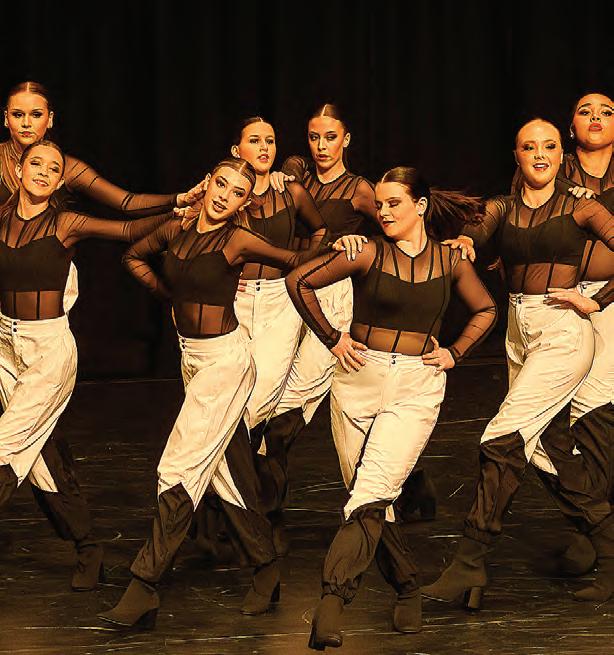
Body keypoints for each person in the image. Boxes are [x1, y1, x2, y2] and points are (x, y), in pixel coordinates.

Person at [98, 158, 354, 629]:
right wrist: (170, 296)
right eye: (221, 184)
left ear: (242, 203)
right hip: (192, 360)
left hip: (227, 364)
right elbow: (133, 255)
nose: (224, 196)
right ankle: (266, 567)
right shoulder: (177, 227)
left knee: (179, 467)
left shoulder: (238, 240)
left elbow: (295, 260)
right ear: (208, 184)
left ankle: (144, 585)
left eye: (237, 193)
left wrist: (340, 246)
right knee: (227, 473)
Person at [283, 165, 497, 649]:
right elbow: (298, 282)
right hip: (357, 380)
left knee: (373, 489)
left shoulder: (451, 259)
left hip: (416, 387)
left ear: (420, 206)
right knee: (368, 498)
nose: (382, 212)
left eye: (393, 203)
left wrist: (455, 352)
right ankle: (407, 586)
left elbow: (486, 310)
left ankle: (331, 604)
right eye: (378, 204)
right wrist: (332, 338)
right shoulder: (367, 251)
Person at [422, 118, 614, 610]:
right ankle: (609, 545)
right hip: (518, 330)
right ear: (517, 156)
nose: (540, 154)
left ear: (560, 154)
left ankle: (469, 560)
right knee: (540, 448)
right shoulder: (503, 207)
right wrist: (468, 241)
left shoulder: (580, 206)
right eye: (530, 147)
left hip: (562, 331)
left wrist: (597, 300)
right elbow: (478, 229)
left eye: (549, 146)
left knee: (502, 438)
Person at [0, 139, 172, 591]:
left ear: (60, 181)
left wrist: (181, 211)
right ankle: (88, 547)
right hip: (4, 346)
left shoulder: (65, 223)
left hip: (47, 351)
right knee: (40, 458)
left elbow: (127, 229)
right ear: (18, 172)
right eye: (35, 163)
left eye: (53, 168)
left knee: (4, 447)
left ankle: (87, 547)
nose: (43, 172)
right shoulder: (1, 218)